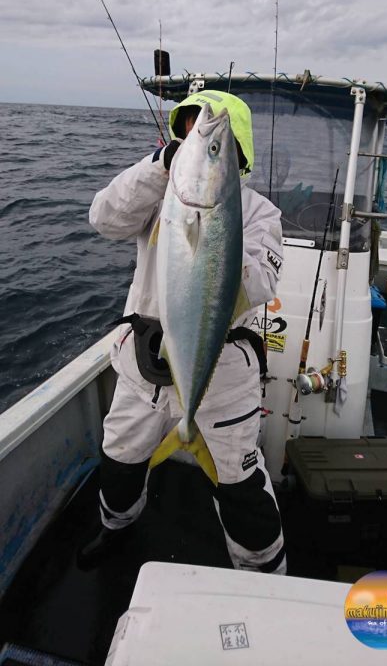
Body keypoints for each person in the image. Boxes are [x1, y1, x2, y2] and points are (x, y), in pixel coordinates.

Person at [78, 90, 286, 575]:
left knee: (240, 486)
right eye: (188, 129)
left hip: (221, 374)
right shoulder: (159, 195)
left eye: (214, 141)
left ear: (236, 153)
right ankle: (115, 525)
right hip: (144, 364)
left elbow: (262, 282)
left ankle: (263, 573)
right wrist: (158, 167)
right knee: (120, 458)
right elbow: (103, 218)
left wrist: (217, 237)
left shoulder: (259, 212)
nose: (197, 136)